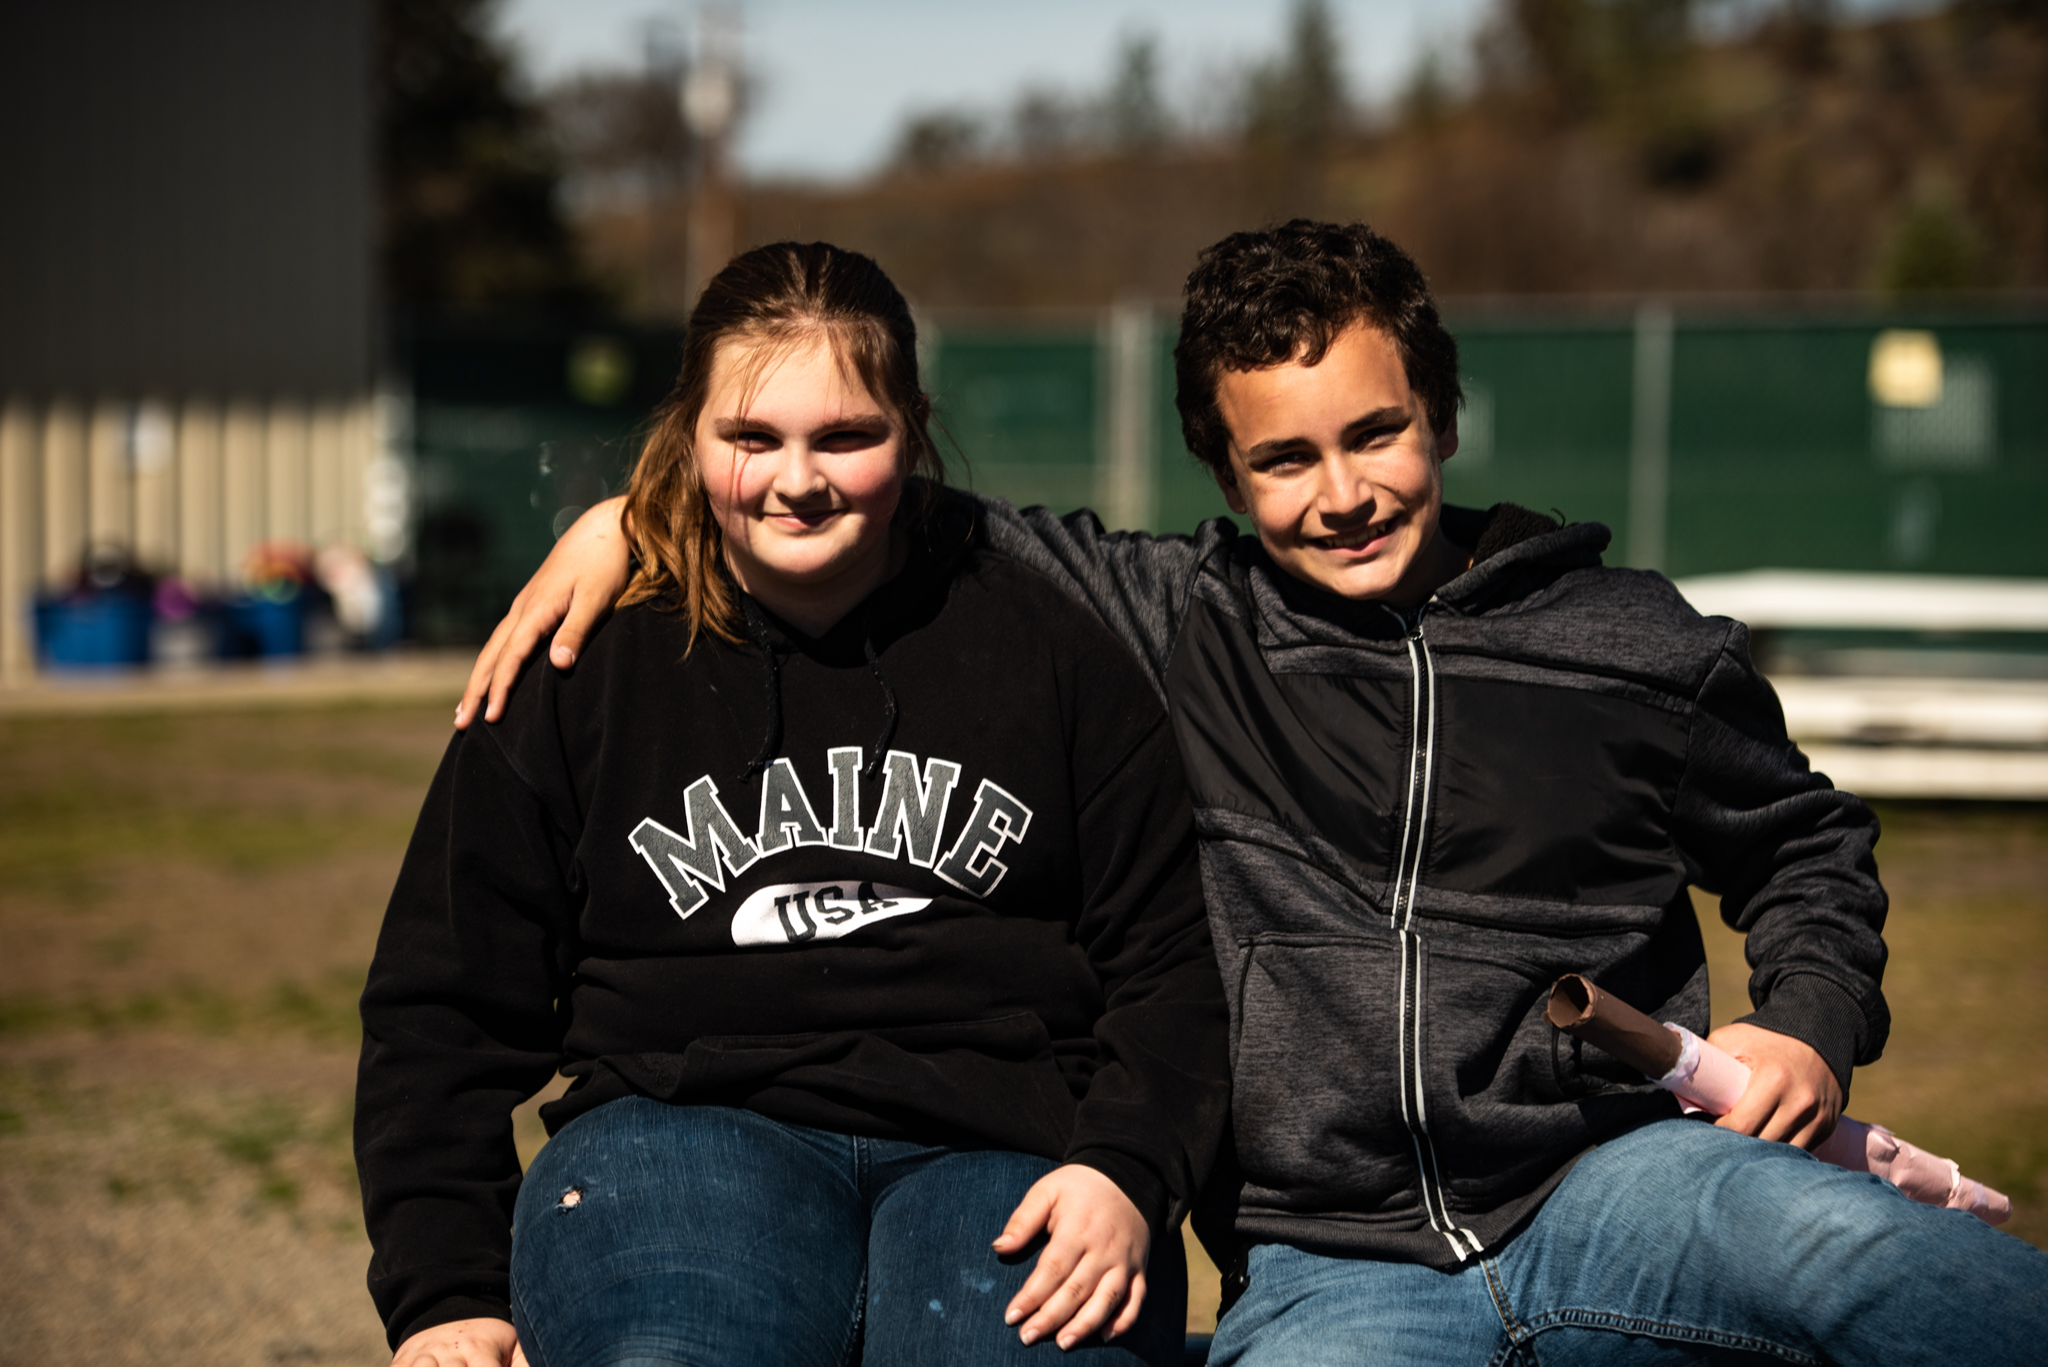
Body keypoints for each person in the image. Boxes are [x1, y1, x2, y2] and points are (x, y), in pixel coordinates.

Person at [459, 220, 2048, 1364]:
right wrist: (639, 509)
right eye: (1283, 460)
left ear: (1442, 412)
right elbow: (849, 485)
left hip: (1623, 1174)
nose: (1344, 491)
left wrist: (1811, 1014)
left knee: (1885, 1263)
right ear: (1222, 478)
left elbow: (1810, 840)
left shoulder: (1632, 638)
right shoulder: (1169, 613)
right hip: (1324, 1256)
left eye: (1378, 433)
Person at [355, 241, 1231, 1367]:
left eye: (845, 436)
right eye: (749, 437)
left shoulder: (1049, 639)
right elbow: (443, 998)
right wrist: (445, 1290)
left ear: (911, 427)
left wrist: (1125, 1165)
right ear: (687, 435)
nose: (795, 478)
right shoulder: (586, 657)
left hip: (1009, 1144)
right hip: (678, 1130)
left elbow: (1174, 962)